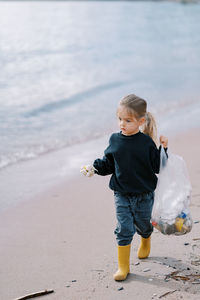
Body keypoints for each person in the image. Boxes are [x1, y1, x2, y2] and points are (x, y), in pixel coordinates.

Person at [80, 94, 168, 281]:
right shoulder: (115, 140)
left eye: (127, 120)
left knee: (144, 225)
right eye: (120, 119)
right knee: (124, 228)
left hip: (144, 194)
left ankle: (145, 239)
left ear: (141, 121)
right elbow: (109, 163)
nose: (122, 124)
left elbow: (157, 166)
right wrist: (95, 168)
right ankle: (123, 267)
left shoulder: (145, 143)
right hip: (121, 194)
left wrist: (164, 150)